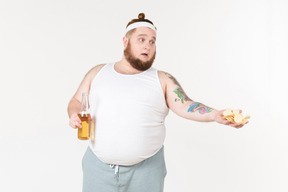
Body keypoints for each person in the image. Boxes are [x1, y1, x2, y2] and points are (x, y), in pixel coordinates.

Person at [67, 13, 247, 192]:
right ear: (125, 41)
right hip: (97, 169)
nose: (147, 46)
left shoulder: (162, 79)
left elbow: (185, 105)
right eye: (141, 39)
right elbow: (76, 101)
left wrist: (215, 115)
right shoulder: (98, 73)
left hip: (146, 173)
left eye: (152, 41)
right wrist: (74, 113)